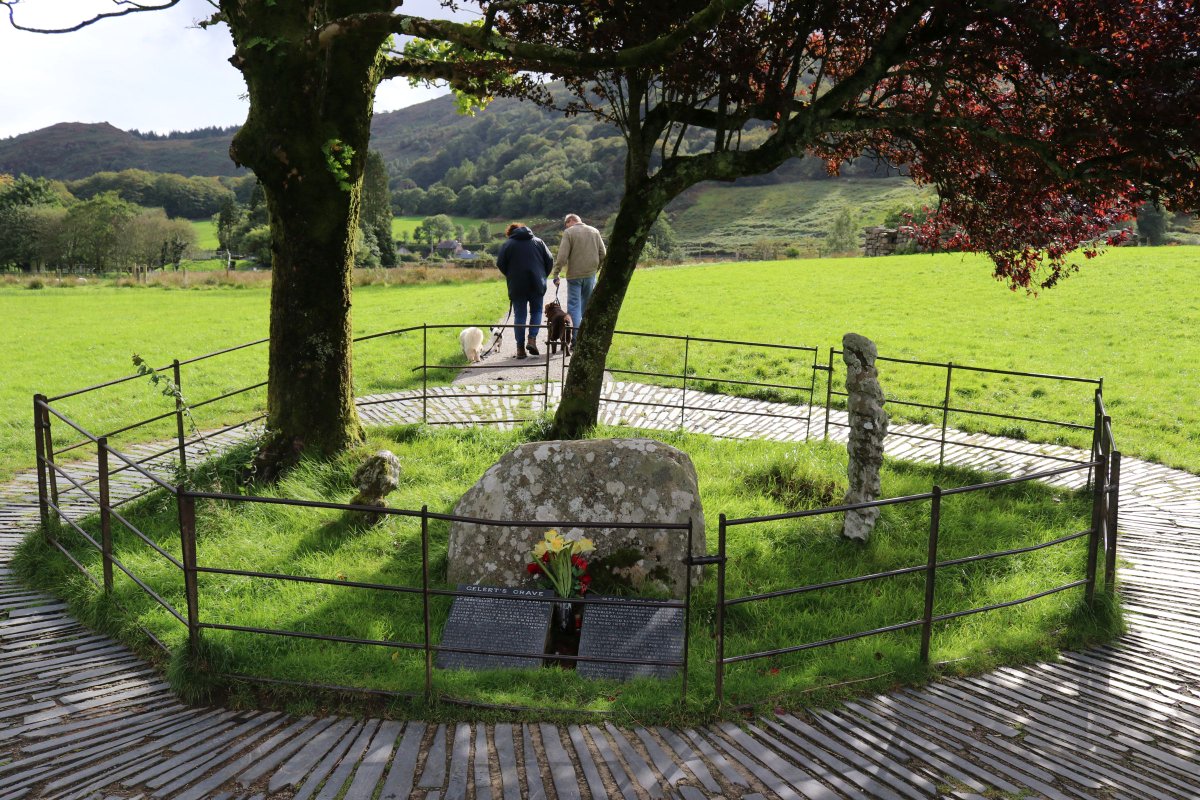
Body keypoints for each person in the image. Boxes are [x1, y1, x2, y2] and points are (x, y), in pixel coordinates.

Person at [496, 222, 554, 359]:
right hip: (537, 283)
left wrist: (510, 275)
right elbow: (550, 260)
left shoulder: (508, 244)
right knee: (536, 311)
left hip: (517, 285)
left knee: (520, 316)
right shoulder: (538, 242)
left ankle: (520, 348)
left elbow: (500, 263)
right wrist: (542, 275)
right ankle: (532, 339)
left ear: (510, 233)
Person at [552, 213, 606, 332]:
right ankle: (586, 335)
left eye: (566, 225)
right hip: (590, 275)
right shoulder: (595, 231)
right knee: (587, 306)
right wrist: (596, 269)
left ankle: (576, 338)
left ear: (570, 221)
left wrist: (556, 273)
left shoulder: (569, 232)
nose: (566, 227)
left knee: (574, 307)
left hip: (574, 276)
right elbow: (603, 254)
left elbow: (562, 256)